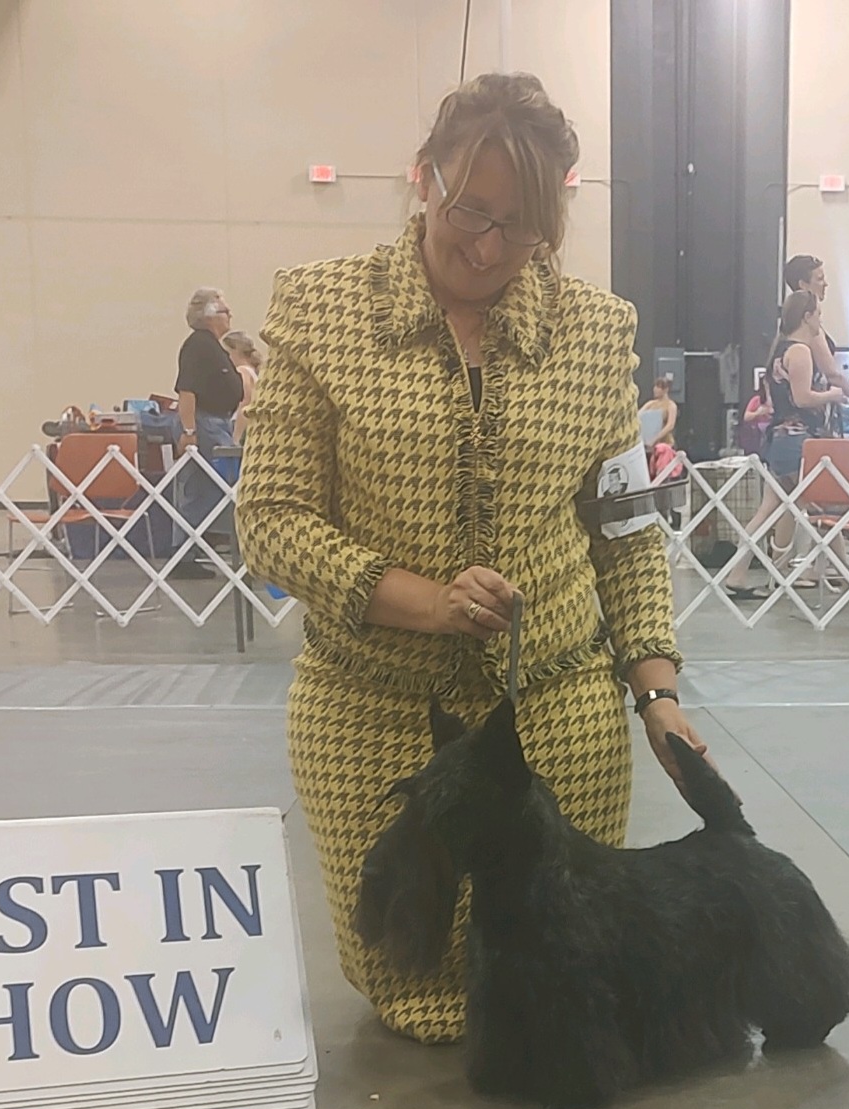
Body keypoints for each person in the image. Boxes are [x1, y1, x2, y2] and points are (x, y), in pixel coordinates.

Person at [238, 72, 706, 1046]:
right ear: (425, 177)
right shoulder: (320, 309)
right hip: (374, 719)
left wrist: (657, 693)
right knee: (415, 985)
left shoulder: (596, 330)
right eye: (470, 213)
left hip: (559, 726)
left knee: (556, 984)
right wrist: (424, 601)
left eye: (521, 228)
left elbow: (624, 532)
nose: (489, 248)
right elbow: (272, 521)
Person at [721, 290, 846, 599]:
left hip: (780, 440)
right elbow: (802, 398)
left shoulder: (779, 350)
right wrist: (833, 394)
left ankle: (739, 573)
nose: (820, 321)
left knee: (769, 510)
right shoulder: (800, 351)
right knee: (821, 505)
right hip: (797, 442)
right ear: (806, 316)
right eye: (818, 314)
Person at [171, 287, 244, 577]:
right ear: (210, 315)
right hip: (205, 423)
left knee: (204, 488)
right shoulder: (198, 346)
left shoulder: (212, 347)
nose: (230, 316)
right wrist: (189, 430)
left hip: (216, 421)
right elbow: (187, 390)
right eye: (225, 311)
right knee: (219, 484)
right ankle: (185, 553)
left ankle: (188, 551)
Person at [783, 254, 849, 404]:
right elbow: (832, 375)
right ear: (803, 285)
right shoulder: (808, 331)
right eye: (819, 279)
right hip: (805, 412)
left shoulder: (789, 323)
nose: (825, 284)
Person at [641, 372, 678, 448]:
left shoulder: (670, 405)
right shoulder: (650, 403)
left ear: (665, 390)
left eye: (658, 387)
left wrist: (655, 438)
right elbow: (639, 415)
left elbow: (670, 425)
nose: (655, 389)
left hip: (664, 443)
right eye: (655, 387)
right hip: (648, 441)